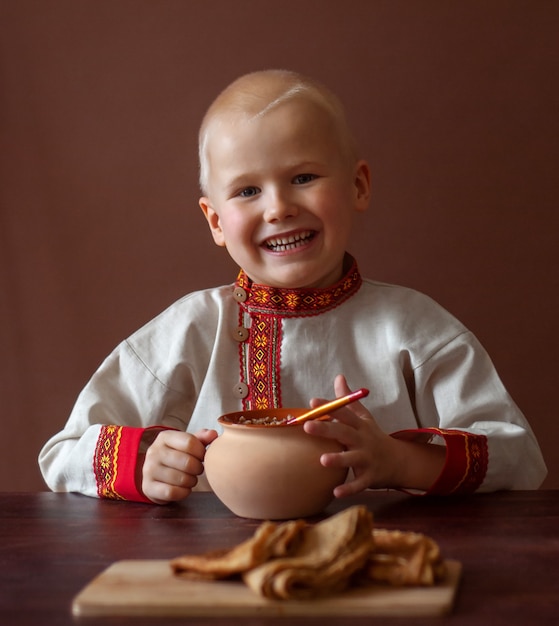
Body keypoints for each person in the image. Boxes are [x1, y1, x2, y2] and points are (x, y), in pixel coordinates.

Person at [39, 69, 547, 504]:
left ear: (358, 186)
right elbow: (63, 452)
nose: (278, 207)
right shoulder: (190, 330)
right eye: (248, 190)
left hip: (376, 569)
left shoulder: (415, 328)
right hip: (218, 577)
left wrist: (401, 462)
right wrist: (143, 466)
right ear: (215, 220)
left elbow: (520, 457)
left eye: (303, 177)